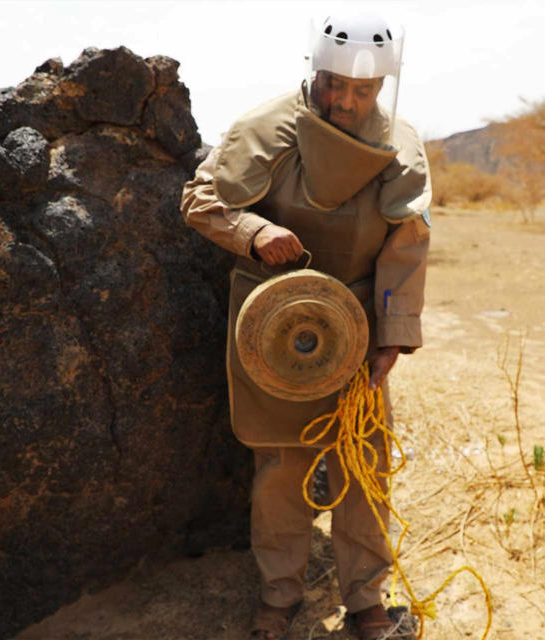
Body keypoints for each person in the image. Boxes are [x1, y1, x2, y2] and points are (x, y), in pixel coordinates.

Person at [180, 11, 430, 640]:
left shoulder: (399, 144)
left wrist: (393, 332)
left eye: (364, 90)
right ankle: (279, 595)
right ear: (314, 70)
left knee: (364, 462)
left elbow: (408, 242)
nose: (347, 101)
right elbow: (201, 201)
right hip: (273, 331)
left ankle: (367, 601)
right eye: (335, 84)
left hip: (356, 329)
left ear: (384, 86)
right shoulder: (266, 128)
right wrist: (254, 231)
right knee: (281, 471)